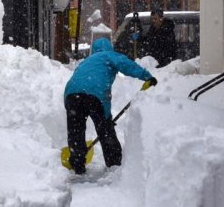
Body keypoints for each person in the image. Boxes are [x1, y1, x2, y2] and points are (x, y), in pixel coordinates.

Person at [63, 38, 157, 173]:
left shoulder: (87, 61)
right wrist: (146, 76)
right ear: (109, 48)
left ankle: (77, 162)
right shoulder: (108, 55)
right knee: (105, 130)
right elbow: (126, 64)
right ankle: (114, 164)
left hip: (71, 95)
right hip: (95, 93)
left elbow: (77, 80)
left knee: (75, 131)